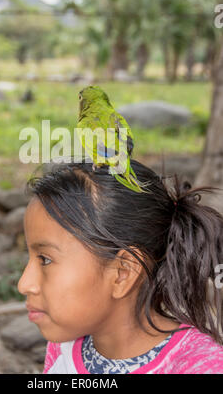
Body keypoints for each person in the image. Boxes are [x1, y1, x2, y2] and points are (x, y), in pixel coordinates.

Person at [17, 160, 223, 374]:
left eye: (45, 259)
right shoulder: (63, 348)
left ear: (122, 273)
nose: (24, 284)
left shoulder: (202, 367)